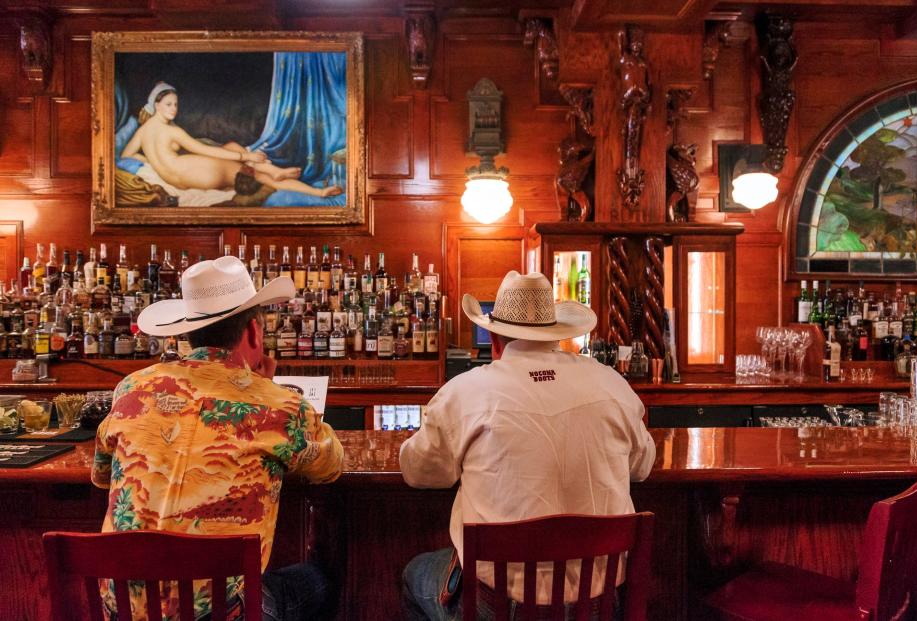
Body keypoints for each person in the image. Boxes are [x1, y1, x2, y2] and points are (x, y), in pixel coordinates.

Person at [91, 256, 344, 621]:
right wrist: (266, 392)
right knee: (319, 580)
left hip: (124, 612)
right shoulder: (281, 407)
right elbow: (332, 465)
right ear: (254, 332)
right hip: (223, 615)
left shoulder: (133, 388)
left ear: (185, 331)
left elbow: (102, 476)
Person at [399, 271, 657, 620]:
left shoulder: (465, 392)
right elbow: (642, 466)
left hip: (501, 609)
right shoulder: (612, 384)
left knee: (415, 575)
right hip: (600, 607)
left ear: (493, 338)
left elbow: (418, 471)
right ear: (555, 334)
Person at [121, 81, 342, 199]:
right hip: (200, 174)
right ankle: (317, 191)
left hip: (183, 175)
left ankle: (270, 168)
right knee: (261, 176)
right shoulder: (172, 131)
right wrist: (245, 156)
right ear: (156, 104)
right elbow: (204, 150)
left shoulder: (143, 130)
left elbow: (127, 156)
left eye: (176, 104)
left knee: (231, 146)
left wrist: (155, 164)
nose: (174, 109)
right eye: (169, 104)